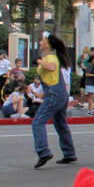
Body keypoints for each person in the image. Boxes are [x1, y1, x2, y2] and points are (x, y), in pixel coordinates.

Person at [32, 33, 77, 168]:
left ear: (47, 44)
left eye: (41, 41)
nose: (40, 43)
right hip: (59, 94)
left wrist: (40, 62)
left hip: (54, 94)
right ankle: (69, 153)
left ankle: (43, 151)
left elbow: (51, 67)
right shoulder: (51, 57)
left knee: (38, 122)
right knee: (61, 124)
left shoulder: (51, 57)